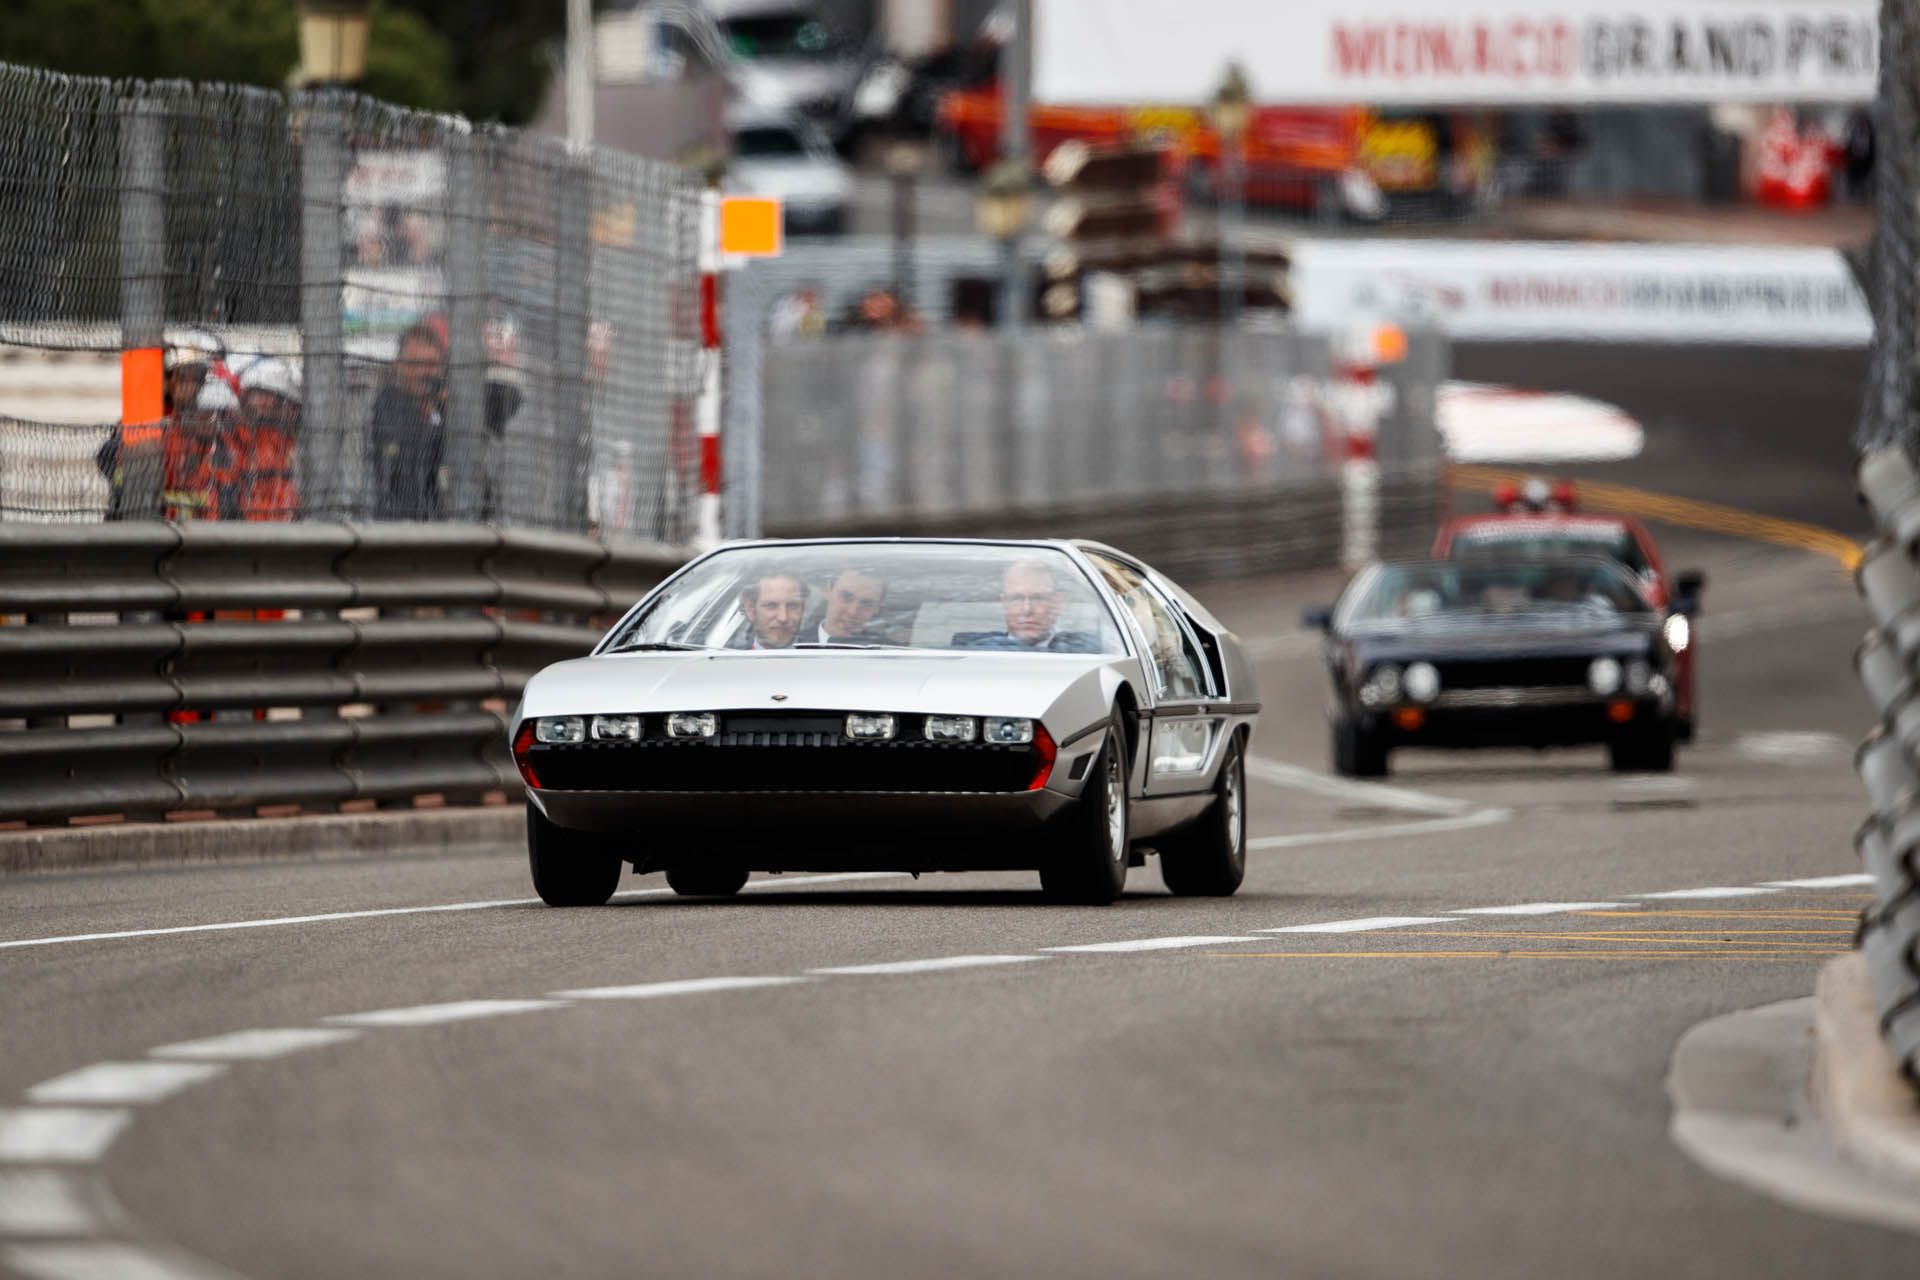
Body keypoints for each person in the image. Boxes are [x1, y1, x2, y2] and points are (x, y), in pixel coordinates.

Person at [367, 319, 448, 520]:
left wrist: (444, 405)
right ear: (399, 367)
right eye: (416, 364)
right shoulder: (386, 405)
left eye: (432, 365)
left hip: (442, 527)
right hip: (394, 526)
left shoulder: (446, 411)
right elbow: (402, 450)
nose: (425, 373)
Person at [961, 559, 1101, 653]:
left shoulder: (1088, 651)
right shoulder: (974, 652)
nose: (1027, 610)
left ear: (1056, 602)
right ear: (1004, 604)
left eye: (1038, 598)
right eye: (1016, 599)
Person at [223, 356, 302, 521]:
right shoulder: (236, 437)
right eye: (257, 394)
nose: (261, 402)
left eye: (267, 396)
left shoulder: (289, 444)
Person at [807, 566, 886, 644]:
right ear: (827, 591)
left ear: (877, 608)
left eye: (866, 603)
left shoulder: (892, 652)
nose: (852, 612)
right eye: (846, 597)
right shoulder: (795, 644)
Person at [732, 570, 807, 650]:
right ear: (751, 610)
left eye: (792, 606)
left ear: (802, 609)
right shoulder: (728, 658)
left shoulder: (819, 655)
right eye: (771, 606)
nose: (783, 618)